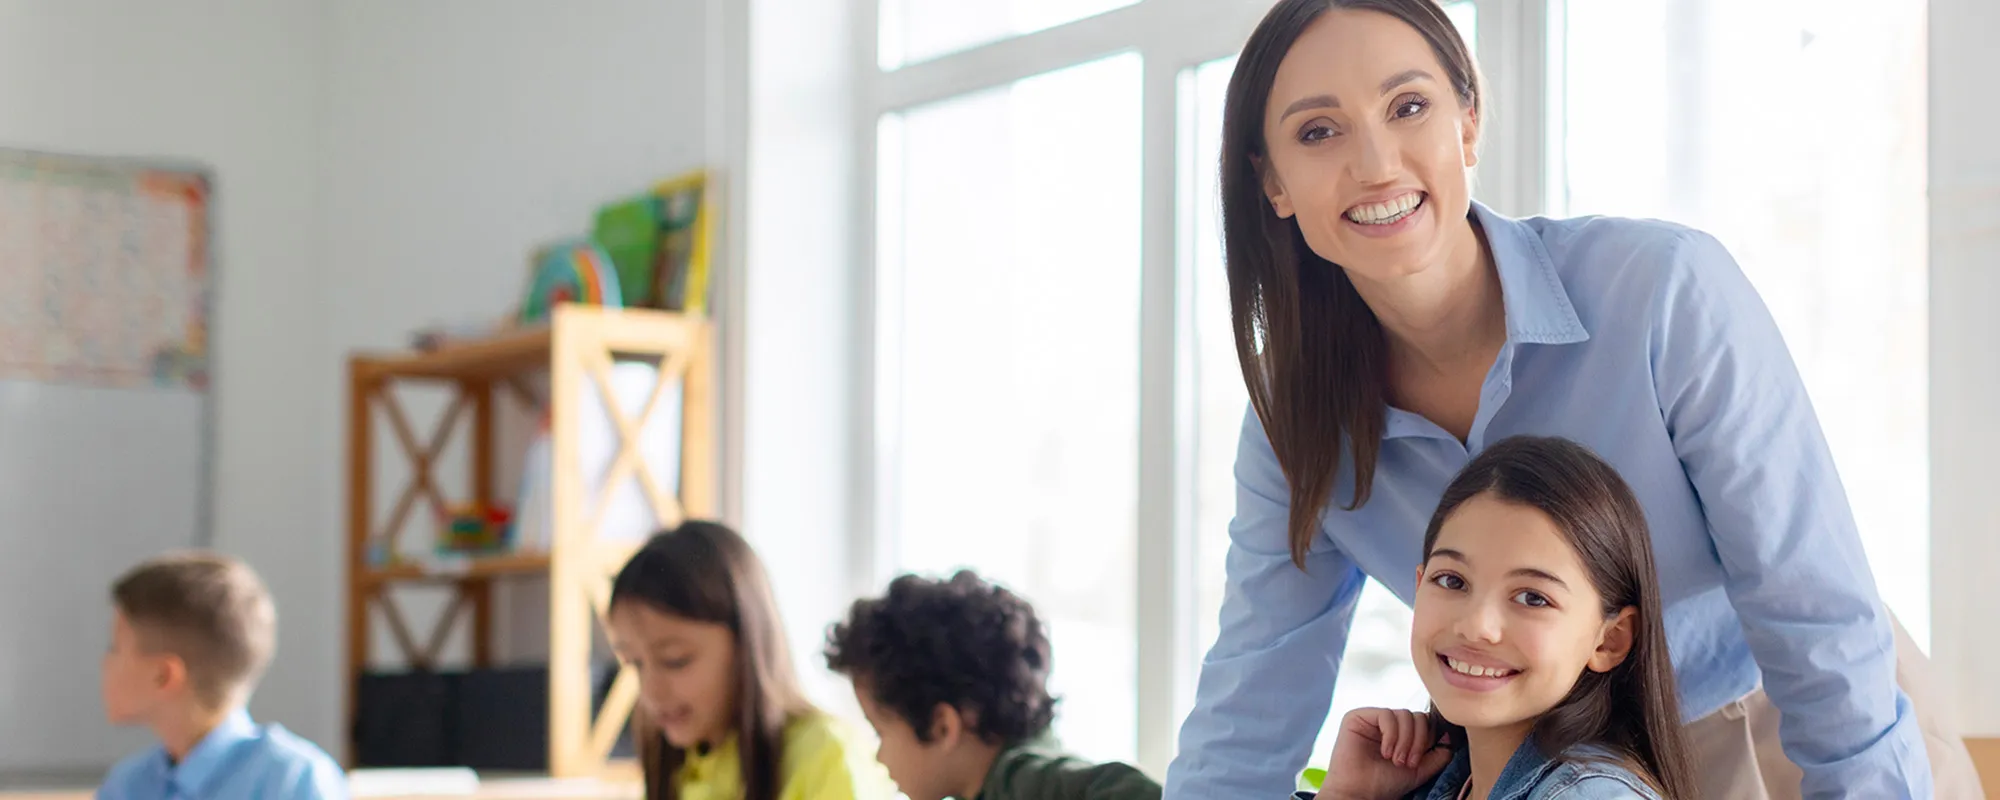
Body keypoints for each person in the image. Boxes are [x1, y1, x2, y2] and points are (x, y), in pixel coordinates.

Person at [1167, 1, 1984, 797]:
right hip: (1547, 771)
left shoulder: (1662, 291)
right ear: (1271, 181)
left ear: (1469, 120)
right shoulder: (1295, 421)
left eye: (1408, 106)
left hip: (1792, 728)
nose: (1376, 162)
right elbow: (1253, 695)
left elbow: (1814, 609)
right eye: (1318, 131)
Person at [1296, 436, 1693, 800]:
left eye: (1532, 598)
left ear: (1610, 640)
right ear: (1419, 585)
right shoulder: (1450, 783)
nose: (1476, 626)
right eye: (1451, 580)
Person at [605, 520, 893, 800]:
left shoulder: (825, 756)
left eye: (675, 660)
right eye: (634, 663)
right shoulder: (679, 766)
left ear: (747, 645)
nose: (651, 691)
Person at [823, 570, 1161, 800]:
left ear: (943, 726)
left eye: (880, 732)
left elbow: (1133, 791)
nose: (879, 757)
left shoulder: (1025, 779)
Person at [98, 551, 346, 800]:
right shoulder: (126, 785)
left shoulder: (294, 780)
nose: (104, 663)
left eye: (114, 649)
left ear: (163, 676)